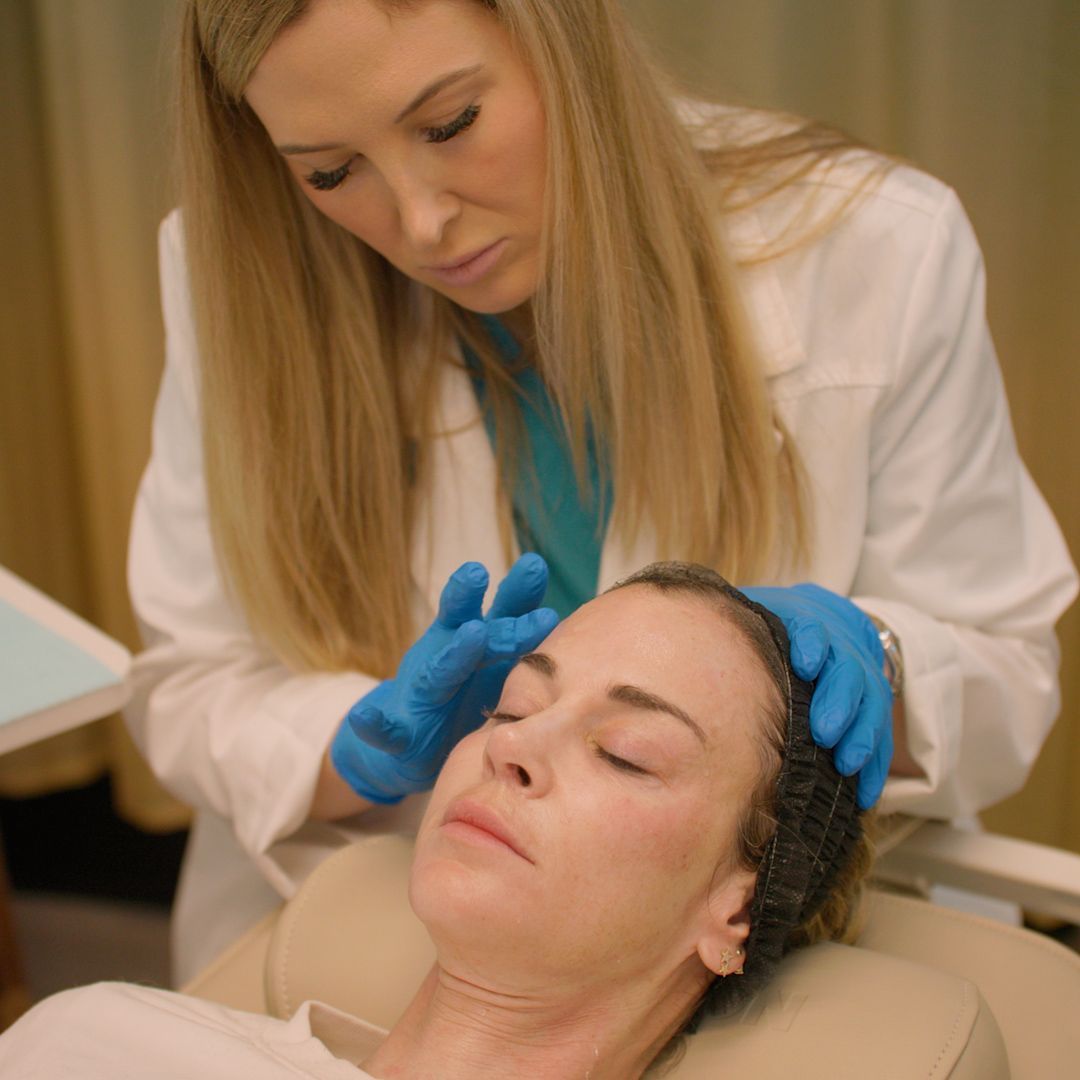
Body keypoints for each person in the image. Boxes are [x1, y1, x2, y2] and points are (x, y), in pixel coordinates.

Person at [126, 0, 1077, 985]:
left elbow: (1007, 674)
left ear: (560, 35)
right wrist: (351, 750)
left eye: (451, 124)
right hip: (390, 912)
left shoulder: (877, 248)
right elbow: (190, 682)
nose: (419, 221)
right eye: (330, 172)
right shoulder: (233, 275)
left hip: (769, 950)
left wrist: (878, 661)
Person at [2, 564, 870, 1078]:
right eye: (512, 706)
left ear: (737, 908)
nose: (512, 748)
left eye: (627, 753)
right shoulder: (101, 1041)